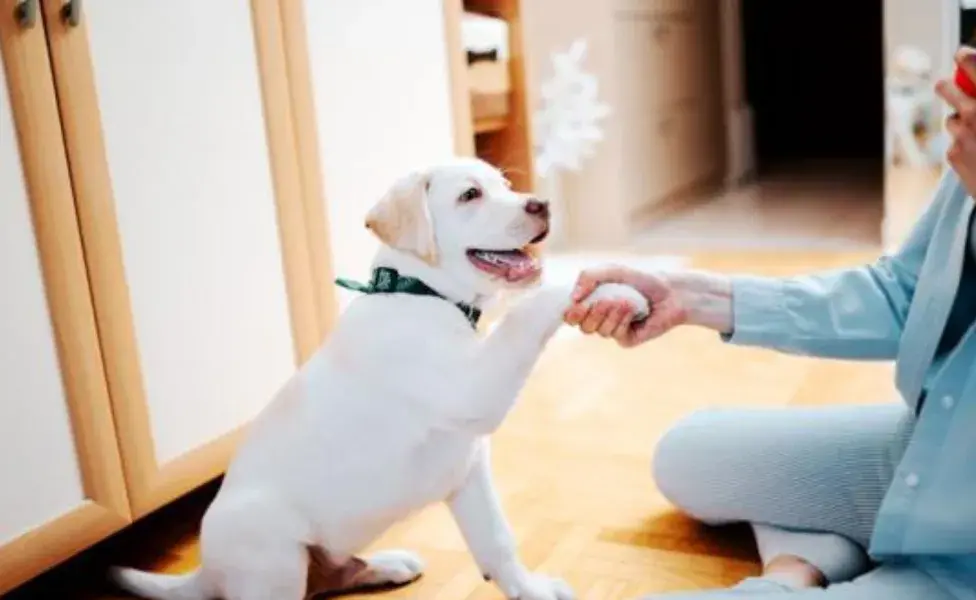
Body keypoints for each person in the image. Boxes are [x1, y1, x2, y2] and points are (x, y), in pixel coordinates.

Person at [563, 48, 976, 600]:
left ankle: (789, 578)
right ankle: (814, 561)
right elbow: (904, 292)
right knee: (687, 455)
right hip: (932, 446)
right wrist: (689, 296)